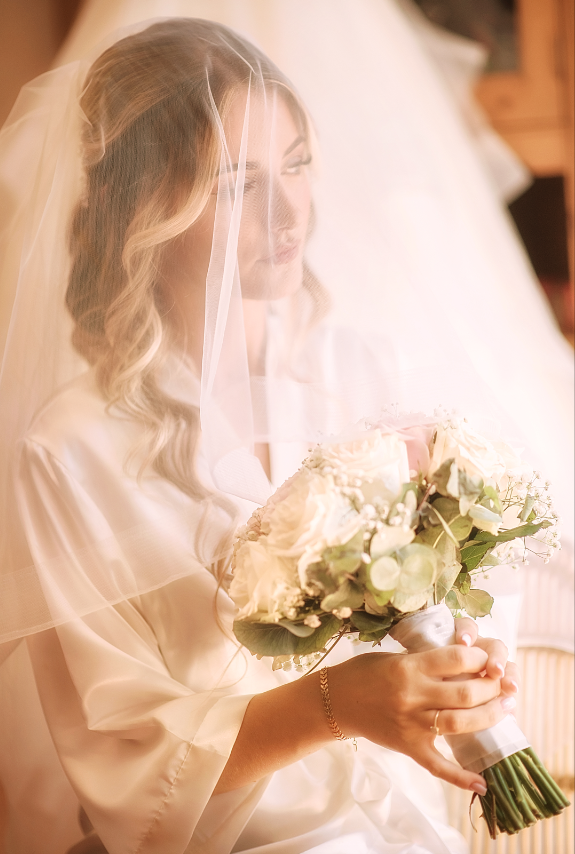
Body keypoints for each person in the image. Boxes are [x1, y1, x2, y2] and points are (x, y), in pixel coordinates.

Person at [0, 19, 519, 854]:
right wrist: (339, 706)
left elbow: (443, 596)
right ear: (143, 204)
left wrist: (460, 665)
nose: (287, 211)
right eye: (238, 183)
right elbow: (125, 764)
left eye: (297, 165)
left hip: (404, 831)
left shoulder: (363, 375)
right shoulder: (70, 451)